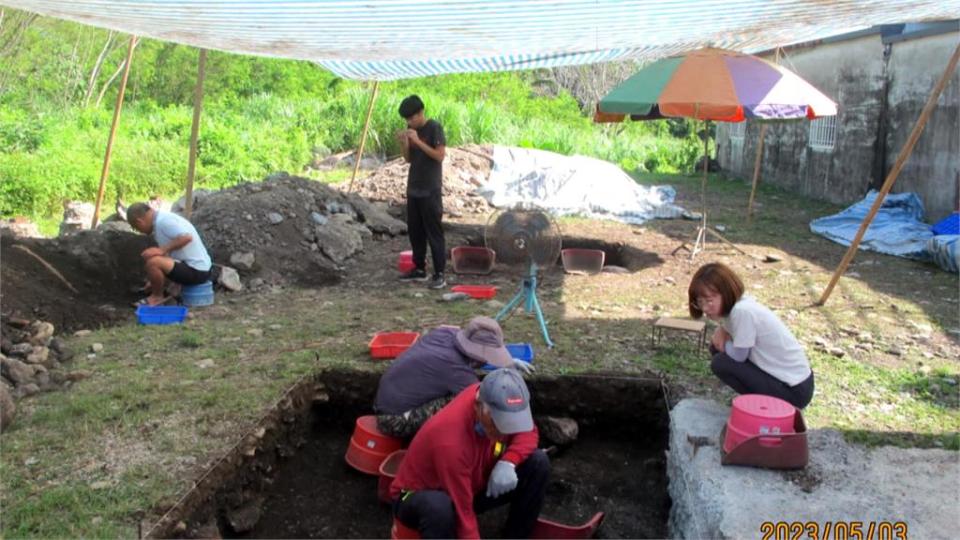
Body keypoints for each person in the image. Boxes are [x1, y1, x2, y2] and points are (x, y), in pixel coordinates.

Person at [390, 368, 549, 539]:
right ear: (478, 406)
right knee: (438, 507)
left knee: (538, 462)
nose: (504, 432)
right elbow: (462, 511)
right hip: (420, 495)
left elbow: (528, 432)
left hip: (471, 483)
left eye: (510, 422)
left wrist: (509, 462)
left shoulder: (499, 399)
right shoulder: (450, 442)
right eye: (498, 423)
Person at [374, 316, 534, 439]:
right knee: (471, 402)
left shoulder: (445, 334)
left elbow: (473, 357)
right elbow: (484, 397)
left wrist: (507, 362)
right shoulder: (455, 369)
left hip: (386, 400)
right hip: (393, 419)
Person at [688, 262, 814, 409]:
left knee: (721, 362)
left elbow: (739, 356)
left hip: (794, 390)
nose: (705, 308)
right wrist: (722, 331)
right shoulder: (740, 304)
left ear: (727, 292)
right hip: (792, 381)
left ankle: (767, 407)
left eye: (709, 301)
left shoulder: (742, 312)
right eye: (700, 302)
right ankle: (759, 402)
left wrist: (723, 342)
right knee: (718, 353)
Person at [397, 94, 447, 289]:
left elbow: (439, 156)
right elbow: (408, 159)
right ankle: (419, 268)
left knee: (433, 231)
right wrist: (404, 143)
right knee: (415, 231)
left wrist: (417, 141)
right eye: (407, 120)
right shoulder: (412, 130)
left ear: (420, 113)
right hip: (414, 188)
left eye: (412, 118)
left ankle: (440, 273)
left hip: (430, 189)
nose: (410, 122)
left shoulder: (434, 128)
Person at [126, 202, 212, 306]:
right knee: (158, 260)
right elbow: (168, 259)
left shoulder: (164, 222)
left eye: (136, 228)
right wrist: (155, 282)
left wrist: (162, 250)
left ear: (139, 222)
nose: (140, 231)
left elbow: (187, 237)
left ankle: (157, 297)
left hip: (197, 271)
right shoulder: (162, 219)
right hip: (199, 268)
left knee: (153, 262)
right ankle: (158, 291)